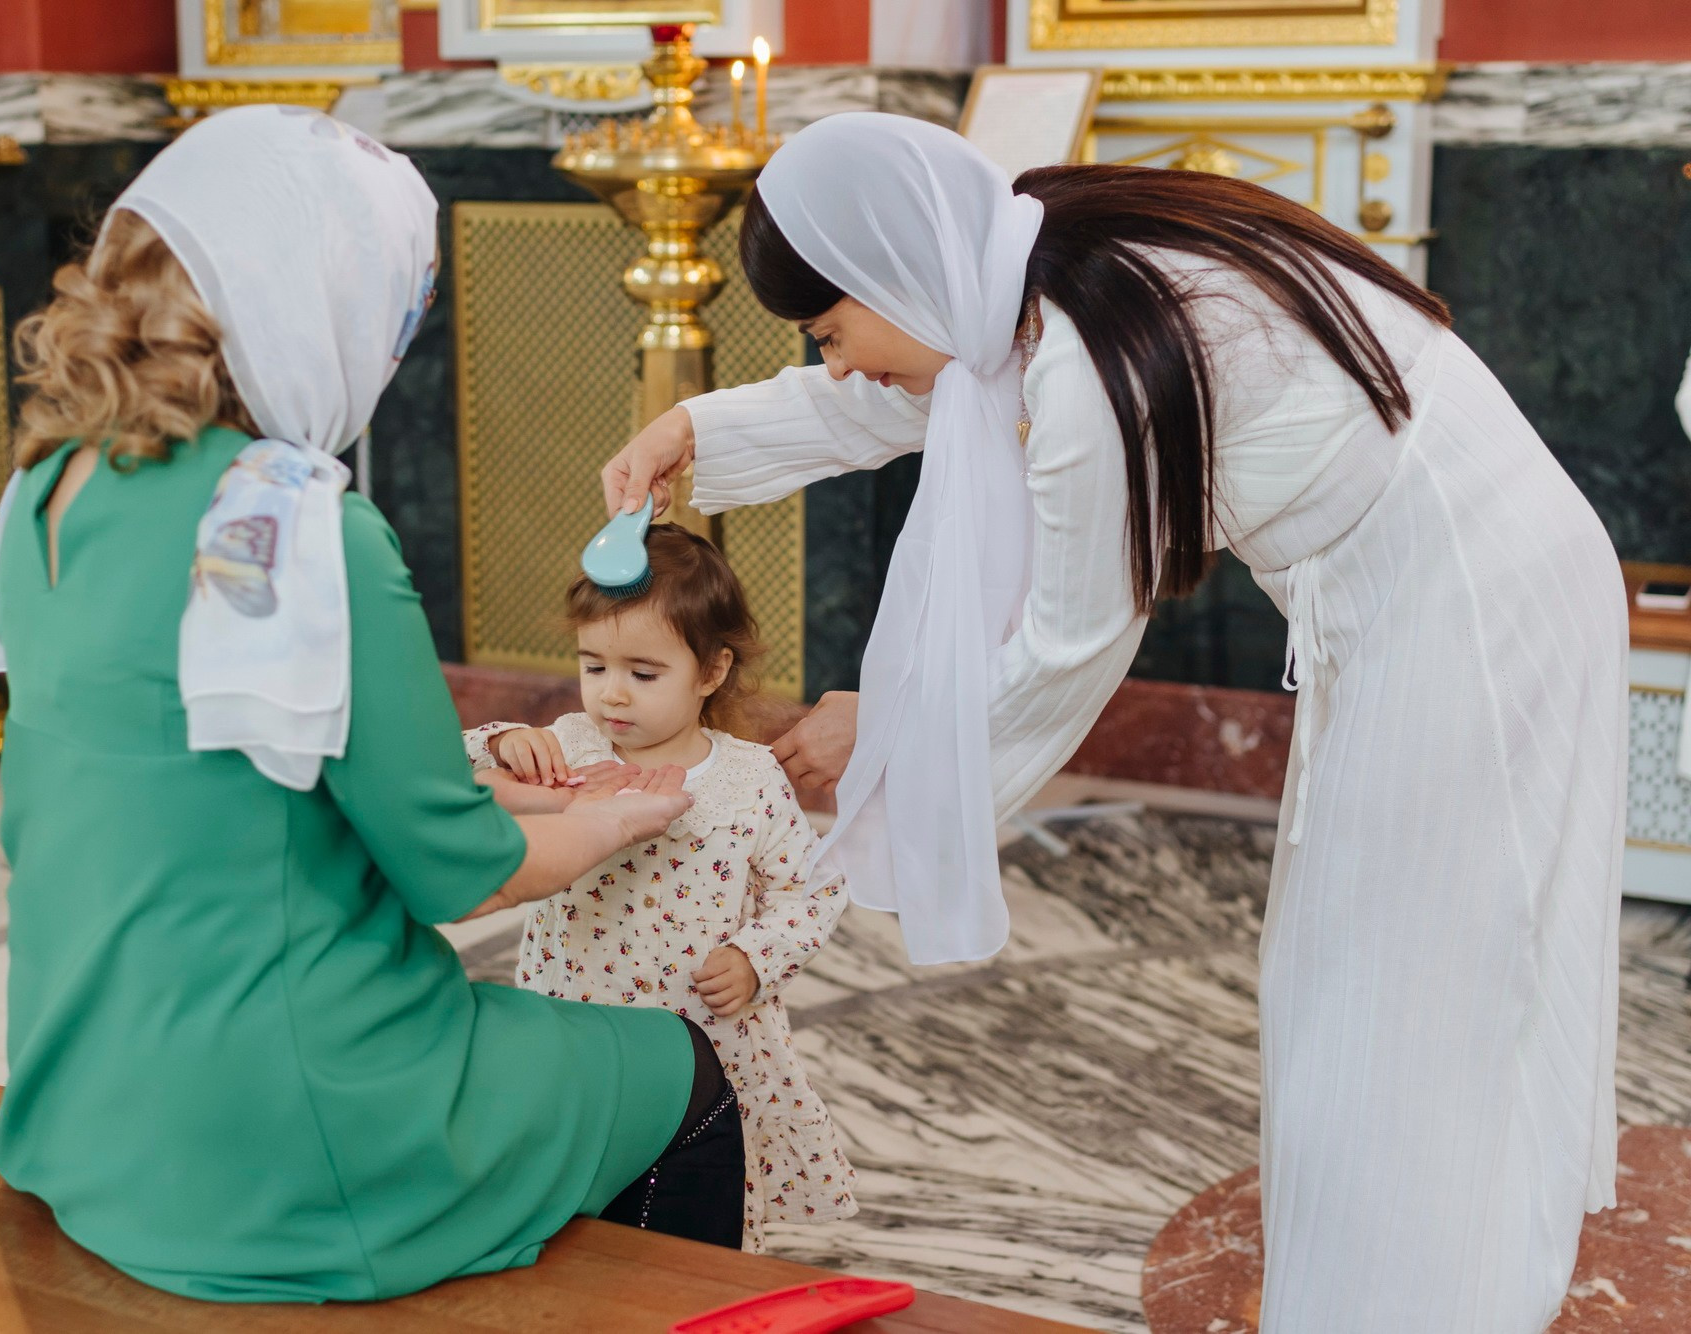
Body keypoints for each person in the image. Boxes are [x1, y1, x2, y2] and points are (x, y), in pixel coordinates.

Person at [602, 112, 1627, 1333]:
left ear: (894, 274)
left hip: (1468, 603)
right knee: (1350, 979)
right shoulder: (1022, 265)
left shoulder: (1079, 355)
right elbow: (895, 397)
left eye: (829, 330)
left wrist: (882, 732)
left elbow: (1065, 643)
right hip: (1419, 598)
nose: (832, 363)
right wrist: (693, 431)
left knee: (1407, 983)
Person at [0, 105, 744, 1303]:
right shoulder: (306, 528)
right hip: (283, 1135)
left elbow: (190, 771)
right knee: (683, 1070)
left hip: (81, 1101)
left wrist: (470, 780)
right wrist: (612, 817)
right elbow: (459, 875)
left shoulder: (45, 487)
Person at [464, 524, 858, 1252]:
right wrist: (499, 742)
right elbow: (450, 783)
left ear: (710, 671)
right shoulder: (569, 749)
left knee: (688, 1214)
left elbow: (816, 886)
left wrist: (756, 956)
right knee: (573, 1201)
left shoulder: (749, 779)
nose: (612, 694)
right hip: (573, 1015)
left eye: (643, 674)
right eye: (593, 665)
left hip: (702, 1033)